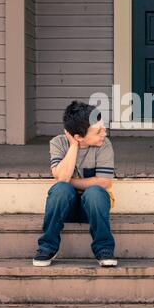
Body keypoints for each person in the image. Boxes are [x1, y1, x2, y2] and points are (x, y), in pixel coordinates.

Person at [33, 100, 117, 267]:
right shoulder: (58, 143)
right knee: (61, 190)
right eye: (98, 131)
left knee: (95, 191)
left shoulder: (104, 144)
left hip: (93, 208)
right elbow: (62, 180)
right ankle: (47, 247)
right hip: (65, 208)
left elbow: (104, 181)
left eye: (103, 127)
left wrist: (70, 181)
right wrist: (73, 146)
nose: (104, 133)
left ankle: (104, 250)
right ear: (78, 136)